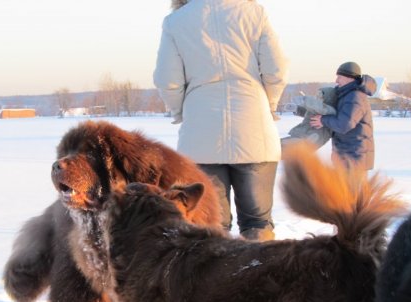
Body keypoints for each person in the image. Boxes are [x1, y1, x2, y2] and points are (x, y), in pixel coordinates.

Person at [153, 0, 288, 240]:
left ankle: (215, 275)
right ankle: (258, 274)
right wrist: (270, 103)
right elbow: (276, 69)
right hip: (253, 126)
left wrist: (180, 111)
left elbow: (167, 80)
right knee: (257, 222)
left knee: (211, 224)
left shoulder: (176, 21)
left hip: (201, 132)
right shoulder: (253, 12)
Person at [310, 61, 377, 170]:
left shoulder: (355, 97)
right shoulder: (346, 95)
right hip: (348, 157)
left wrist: (323, 120)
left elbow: (344, 124)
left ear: (350, 78)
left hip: (354, 159)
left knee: (351, 188)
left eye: (340, 77)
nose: (336, 81)